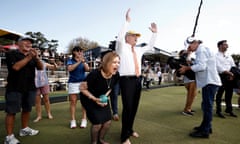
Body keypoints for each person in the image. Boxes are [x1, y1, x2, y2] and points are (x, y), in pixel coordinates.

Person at [115, 8, 158, 144]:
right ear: (128, 37)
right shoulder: (121, 47)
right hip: (126, 80)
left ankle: (129, 129)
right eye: (134, 36)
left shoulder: (138, 49)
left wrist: (155, 33)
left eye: (137, 37)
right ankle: (124, 137)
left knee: (134, 107)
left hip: (137, 80)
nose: (136, 38)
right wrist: (127, 22)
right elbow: (120, 36)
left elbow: (151, 46)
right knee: (127, 108)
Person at [179, 36, 222, 138]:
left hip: (209, 82)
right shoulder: (203, 49)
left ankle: (205, 131)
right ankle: (206, 126)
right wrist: (191, 64)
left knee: (207, 106)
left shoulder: (201, 51)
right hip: (210, 81)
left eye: (189, 47)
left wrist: (187, 68)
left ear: (194, 43)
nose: (189, 49)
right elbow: (201, 65)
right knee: (206, 106)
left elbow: (201, 66)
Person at [4, 36, 43, 144]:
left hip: (30, 87)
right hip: (14, 87)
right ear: (19, 43)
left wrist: (37, 58)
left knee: (27, 109)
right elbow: (16, 67)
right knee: (11, 112)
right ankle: (9, 137)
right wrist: (29, 57)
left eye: (30, 43)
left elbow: (40, 68)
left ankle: (24, 129)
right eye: (26, 41)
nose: (29, 44)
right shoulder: (11, 54)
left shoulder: (32, 56)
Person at [80, 51, 120, 144]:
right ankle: (94, 142)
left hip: (101, 98)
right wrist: (95, 99)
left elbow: (111, 88)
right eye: (114, 62)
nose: (117, 65)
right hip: (88, 99)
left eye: (118, 62)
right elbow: (82, 89)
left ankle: (101, 139)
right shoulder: (94, 74)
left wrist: (105, 98)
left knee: (107, 122)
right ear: (106, 63)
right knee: (97, 124)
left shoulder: (116, 75)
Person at [67, 46, 90, 129]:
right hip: (73, 83)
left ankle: (84, 119)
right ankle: (72, 120)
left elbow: (87, 69)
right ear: (74, 52)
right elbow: (70, 69)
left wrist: (83, 62)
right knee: (73, 102)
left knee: (84, 102)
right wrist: (79, 61)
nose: (80, 52)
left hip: (83, 83)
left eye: (81, 51)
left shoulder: (84, 60)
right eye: (78, 51)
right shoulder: (70, 60)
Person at [33, 49, 57, 122]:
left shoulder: (44, 63)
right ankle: (39, 116)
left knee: (46, 100)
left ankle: (49, 113)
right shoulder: (31, 62)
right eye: (36, 52)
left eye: (38, 52)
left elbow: (54, 68)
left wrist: (54, 63)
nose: (38, 54)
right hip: (35, 83)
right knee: (37, 101)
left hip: (44, 83)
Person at [215, 40, 237, 118]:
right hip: (221, 76)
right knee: (220, 94)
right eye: (225, 44)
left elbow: (233, 65)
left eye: (226, 44)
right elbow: (218, 67)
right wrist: (228, 73)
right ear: (220, 46)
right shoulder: (216, 55)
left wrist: (232, 74)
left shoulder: (229, 55)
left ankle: (229, 109)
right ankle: (218, 110)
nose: (227, 46)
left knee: (229, 94)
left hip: (230, 76)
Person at [179, 50, 197, 116]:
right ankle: (186, 110)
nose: (187, 53)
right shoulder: (183, 60)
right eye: (185, 53)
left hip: (190, 79)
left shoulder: (188, 60)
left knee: (193, 95)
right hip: (190, 80)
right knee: (191, 95)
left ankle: (188, 108)